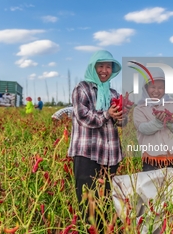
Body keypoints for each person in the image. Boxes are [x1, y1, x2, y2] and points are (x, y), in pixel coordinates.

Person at [67, 50, 126, 230]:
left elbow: (123, 123)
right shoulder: (82, 89)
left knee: (107, 199)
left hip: (111, 155)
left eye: (108, 67)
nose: (104, 70)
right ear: (93, 67)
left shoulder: (113, 92)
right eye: (100, 66)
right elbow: (83, 116)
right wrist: (107, 113)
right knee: (88, 202)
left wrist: (121, 116)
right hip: (87, 153)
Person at [133, 69, 173, 230]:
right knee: (153, 200)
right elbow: (143, 128)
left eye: (160, 87)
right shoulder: (139, 108)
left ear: (165, 88)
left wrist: (168, 118)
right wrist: (160, 121)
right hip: (152, 160)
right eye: (152, 87)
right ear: (146, 88)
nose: (156, 91)